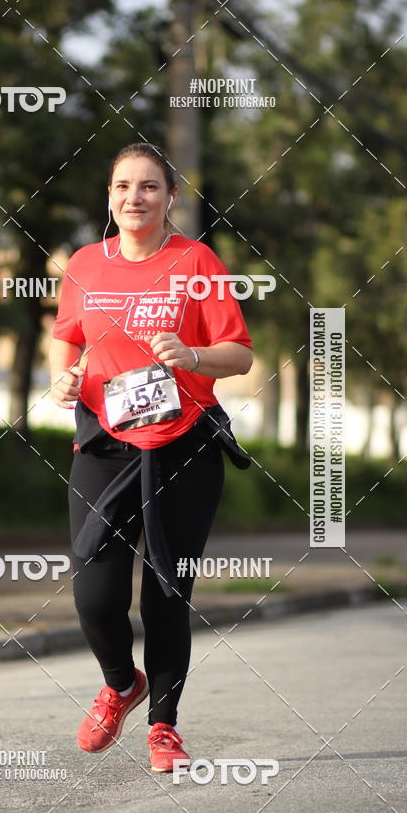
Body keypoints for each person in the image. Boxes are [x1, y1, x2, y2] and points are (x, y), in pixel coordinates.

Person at [48, 142, 253, 773]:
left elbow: (239, 354)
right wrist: (63, 381)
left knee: (168, 589)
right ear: (109, 197)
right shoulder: (84, 264)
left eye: (149, 187)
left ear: (170, 198)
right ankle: (120, 683)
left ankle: (163, 726)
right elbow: (69, 344)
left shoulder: (196, 262)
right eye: (122, 187)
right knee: (94, 592)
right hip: (106, 445)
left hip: (183, 447)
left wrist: (192, 357)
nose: (134, 198)